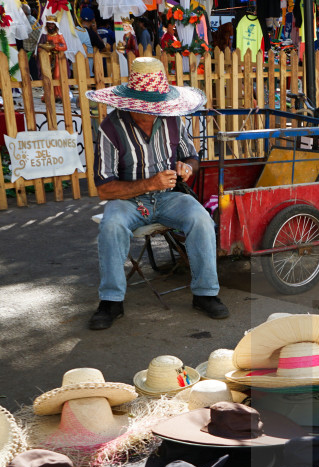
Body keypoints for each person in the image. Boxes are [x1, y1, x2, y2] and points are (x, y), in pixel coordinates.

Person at [84, 57, 227, 329]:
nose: (153, 111)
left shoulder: (172, 120)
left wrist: (187, 167)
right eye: (146, 106)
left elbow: (192, 157)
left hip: (169, 197)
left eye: (156, 105)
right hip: (127, 200)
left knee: (201, 219)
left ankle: (206, 293)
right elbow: (104, 187)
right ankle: (111, 301)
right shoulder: (111, 128)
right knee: (111, 225)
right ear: (130, 104)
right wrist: (150, 184)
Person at [39, 15, 68, 98]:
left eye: (52, 24)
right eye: (49, 24)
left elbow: (64, 47)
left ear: (55, 25)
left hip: (56, 58)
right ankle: (48, 94)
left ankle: (58, 94)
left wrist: (54, 47)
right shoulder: (44, 36)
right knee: (47, 75)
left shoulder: (59, 36)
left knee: (57, 75)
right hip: (47, 58)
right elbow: (39, 47)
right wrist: (43, 48)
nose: (50, 26)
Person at [22, 4, 41, 78]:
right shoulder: (27, 21)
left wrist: (36, 51)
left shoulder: (31, 23)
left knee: (34, 75)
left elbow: (39, 38)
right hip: (27, 53)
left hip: (32, 53)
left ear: (24, 13)